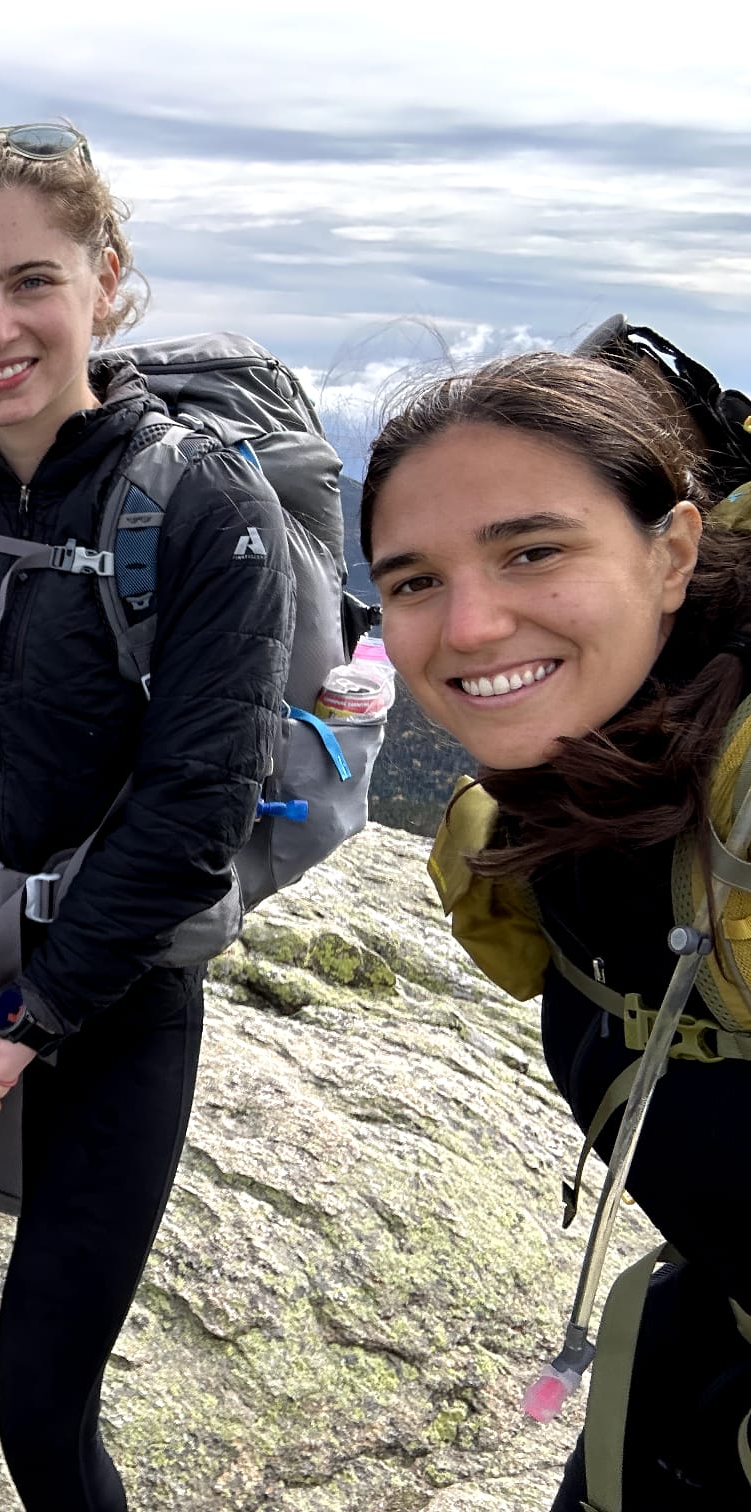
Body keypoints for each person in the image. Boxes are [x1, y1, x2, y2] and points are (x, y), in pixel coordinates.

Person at [0, 119, 294, 1512]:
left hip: (116, 1007)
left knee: (41, 1407)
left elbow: (195, 810)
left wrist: (10, 1040)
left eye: (32, 281)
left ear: (108, 280)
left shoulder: (206, 514)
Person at [365, 351, 751, 1509]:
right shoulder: (561, 810)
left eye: (533, 551)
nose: (472, 624)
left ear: (673, 552)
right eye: (415, 580)